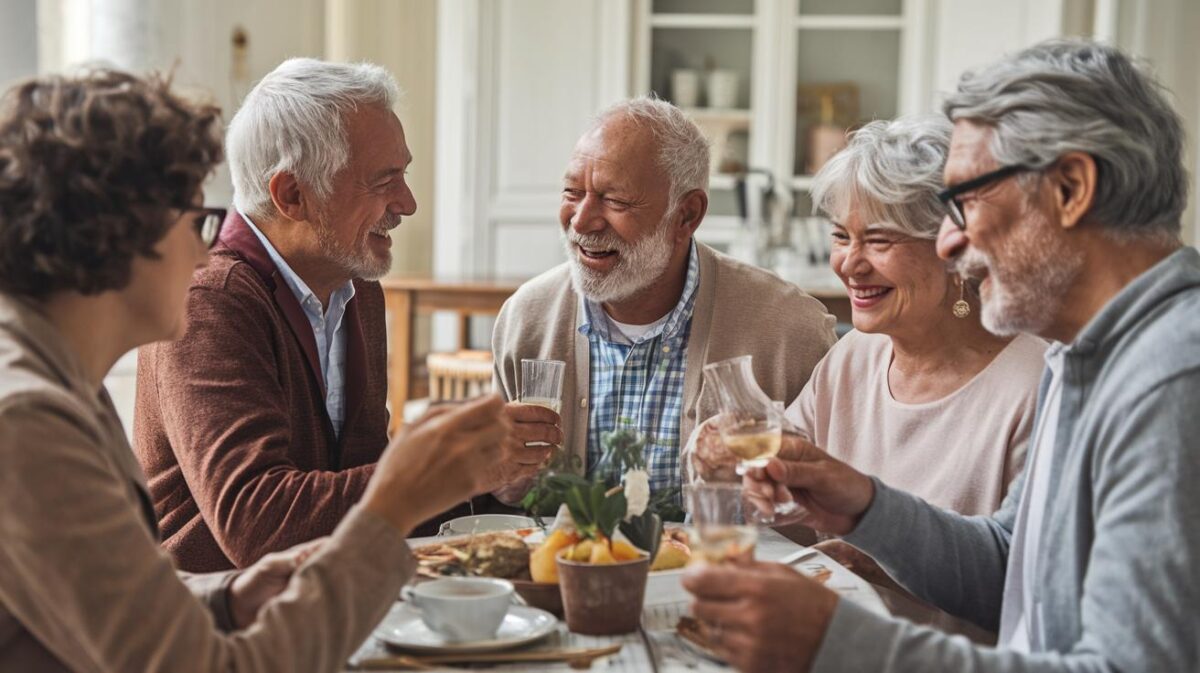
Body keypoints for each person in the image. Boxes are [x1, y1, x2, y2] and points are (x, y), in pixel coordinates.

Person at [684, 39, 1200, 673]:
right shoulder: (1089, 357)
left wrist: (836, 642)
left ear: (1070, 187)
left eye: (969, 201)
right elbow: (1012, 567)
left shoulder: (1173, 380)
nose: (951, 241)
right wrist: (866, 505)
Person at [0, 67, 510, 672]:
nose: (204, 251)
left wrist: (227, 599)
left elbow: (102, 604)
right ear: (110, 239)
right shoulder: (28, 419)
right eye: (197, 221)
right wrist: (392, 504)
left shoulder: (54, 382)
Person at [133, 58, 545, 572]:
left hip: (327, 603)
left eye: (404, 174)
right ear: (292, 195)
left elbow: (363, 488)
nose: (408, 202)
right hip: (217, 627)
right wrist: (446, 468)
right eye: (383, 181)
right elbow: (258, 526)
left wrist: (494, 486)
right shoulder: (211, 300)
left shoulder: (356, 286)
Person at [490, 96, 836, 504]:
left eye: (615, 201)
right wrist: (501, 476)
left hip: (726, 564)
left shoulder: (788, 330)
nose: (582, 221)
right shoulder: (526, 317)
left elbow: (825, 517)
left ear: (687, 216)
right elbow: (505, 500)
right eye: (571, 192)